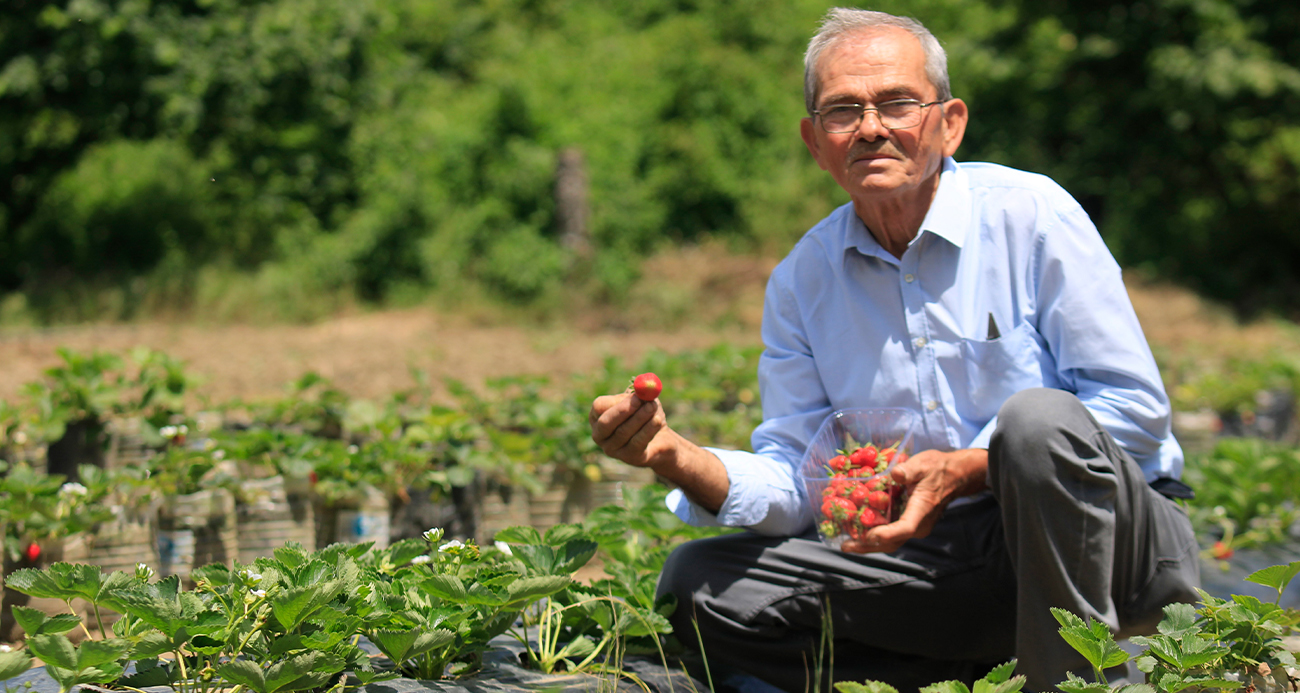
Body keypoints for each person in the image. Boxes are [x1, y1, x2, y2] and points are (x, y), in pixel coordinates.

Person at [588, 8, 1199, 692]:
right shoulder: (803, 278)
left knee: (1036, 425)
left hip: (1113, 547)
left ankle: (1068, 680)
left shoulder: (1031, 216)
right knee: (700, 584)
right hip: (942, 563)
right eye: (842, 111)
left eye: (897, 103)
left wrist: (969, 466)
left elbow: (1134, 409)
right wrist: (675, 456)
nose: (871, 127)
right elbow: (800, 483)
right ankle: (968, 674)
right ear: (815, 141)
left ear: (950, 122)